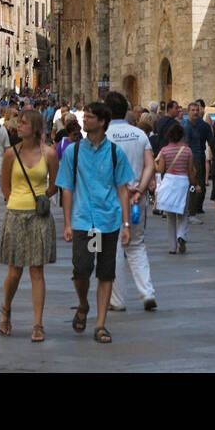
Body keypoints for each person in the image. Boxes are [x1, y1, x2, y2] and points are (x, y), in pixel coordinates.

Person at [56, 101, 133, 344]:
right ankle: (82, 302)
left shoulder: (114, 153)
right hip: (84, 222)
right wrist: (67, 223)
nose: (84, 121)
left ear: (101, 122)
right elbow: (66, 188)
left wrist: (126, 224)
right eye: (84, 116)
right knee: (82, 269)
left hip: (107, 221)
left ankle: (100, 324)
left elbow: (123, 190)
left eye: (89, 117)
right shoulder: (74, 151)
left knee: (105, 272)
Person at [0, 109, 59, 342]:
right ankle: (6, 309)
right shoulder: (10, 154)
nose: (18, 126)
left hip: (39, 217)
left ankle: (38, 324)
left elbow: (54, 184)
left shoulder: (49, 154)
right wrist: (15, 201)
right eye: (18, 123)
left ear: (35, 128)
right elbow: (5, 187)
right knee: (14, 271)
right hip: (15, 214)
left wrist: (43, 197)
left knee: (36, 270)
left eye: (23, 123)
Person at [105, 90, 158, 314]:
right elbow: (150, 165)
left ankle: (117, 299)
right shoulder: (139, 135)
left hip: (112, 199)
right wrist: (139, 189)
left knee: (113, 248)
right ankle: (147, 293)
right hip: (137, 199)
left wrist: (125, 189)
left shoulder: (104, 135)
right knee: (136, 244)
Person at [154, 122, 198, 253]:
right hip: (183, 183)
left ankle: (172, 247)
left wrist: (155, 164)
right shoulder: (187, 151)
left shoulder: (164, 151)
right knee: (184, 213)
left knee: (170, 216)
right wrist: (194, 183)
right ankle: (182, 236)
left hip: (169, 182)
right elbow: (190, 170)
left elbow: (161, 169)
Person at [184, 101, 212, 218]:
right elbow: (185, 146)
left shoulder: (201, 126)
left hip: (199, 156)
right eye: (193, 110)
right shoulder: (187, 127)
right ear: (188, 112)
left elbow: (210, 140)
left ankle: (195, 208)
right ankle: (191, 211)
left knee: (199, 183)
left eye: (197, 110)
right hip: (192, 158)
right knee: (193, 184)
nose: (195, 112)